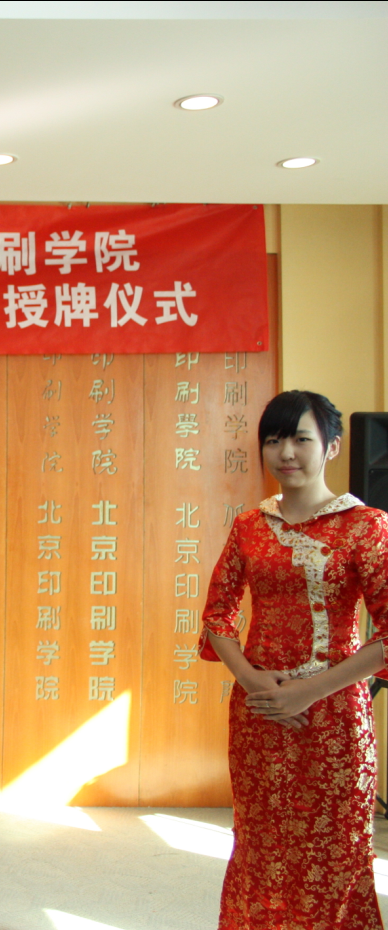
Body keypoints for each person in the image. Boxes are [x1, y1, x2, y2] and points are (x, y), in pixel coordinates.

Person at [201, 390, 387, 929]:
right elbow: (217, 616)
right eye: (274, 440)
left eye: (301, 439)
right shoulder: (249, 526)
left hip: (334, 717)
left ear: (331, 447)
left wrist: (308, 690)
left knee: (334, 850)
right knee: (260, 844)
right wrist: (252, 680)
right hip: (259, 713)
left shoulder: (367, 526)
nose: (286, 452)